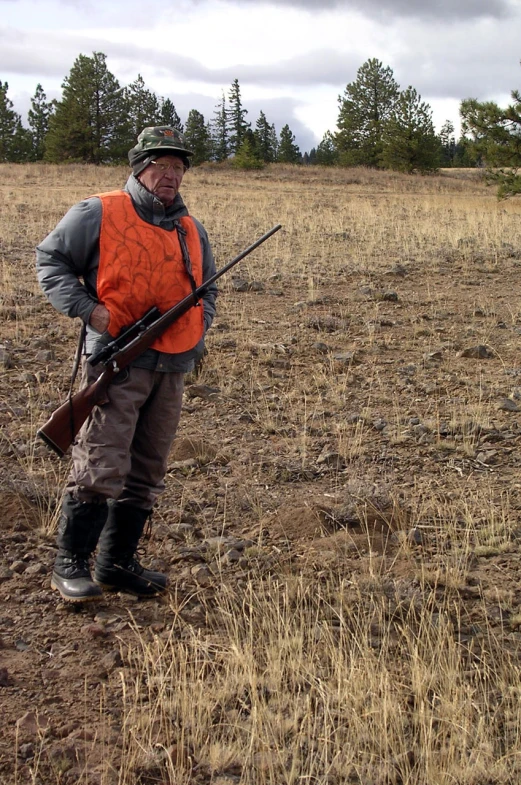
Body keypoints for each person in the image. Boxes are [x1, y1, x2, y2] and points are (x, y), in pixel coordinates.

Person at [36, 126, 217, 602]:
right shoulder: (98, 211)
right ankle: (69, 564)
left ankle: (116, 563)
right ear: (140, 166)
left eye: (179, 167)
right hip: (117, 359)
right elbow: (50, 260)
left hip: (174, 364)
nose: (171, 175)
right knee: (102, 459)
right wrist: (89, 310)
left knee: (148, 467)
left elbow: (207, 289)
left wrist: (198, 330)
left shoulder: (191, 229)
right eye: (162, 165)